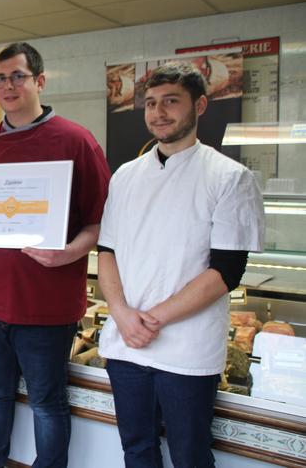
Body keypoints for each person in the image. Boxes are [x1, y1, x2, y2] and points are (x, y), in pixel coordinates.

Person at [0, 42, 111, 468]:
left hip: (46, 307)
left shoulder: (76, 140)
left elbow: (102, 221)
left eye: (17, 76)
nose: (8, 86)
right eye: (0, 78)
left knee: (47, 404)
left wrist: (70, 252)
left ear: (39, 81)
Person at [97, 62, 264, 468]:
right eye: (151, 103)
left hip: (187, 349)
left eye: (171, 101)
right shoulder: (125, 176)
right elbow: (107, 252)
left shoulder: (229, 177)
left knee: (190, 455)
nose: (158, 112)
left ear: (200, 105)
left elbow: (227, 271)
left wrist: (149, 320)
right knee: (136, 448)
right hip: (127, 346)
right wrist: (120, 313)